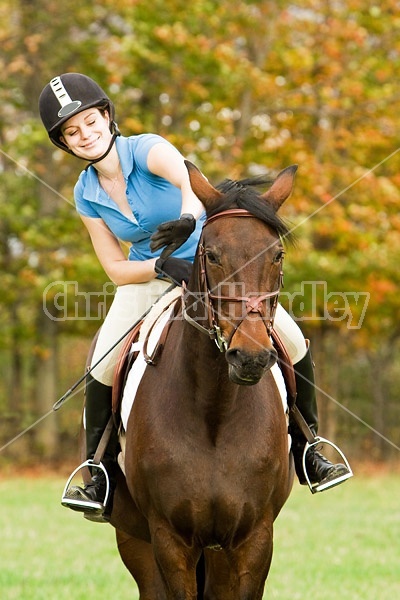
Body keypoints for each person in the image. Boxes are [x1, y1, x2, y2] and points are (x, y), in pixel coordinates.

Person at [39, 73, 351, 522]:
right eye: (72, 131)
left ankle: (309, 449)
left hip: (217, 268)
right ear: (65, 143)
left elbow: (191, 184)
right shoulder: (85, 193)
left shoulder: (146, 148)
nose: (85, 135)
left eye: (90, 122)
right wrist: (159, 268)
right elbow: (113, 268)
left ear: (107, 117)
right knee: (102, 362)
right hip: (152, 277)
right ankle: (98, 471)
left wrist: (188, 220)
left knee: (293, 339)